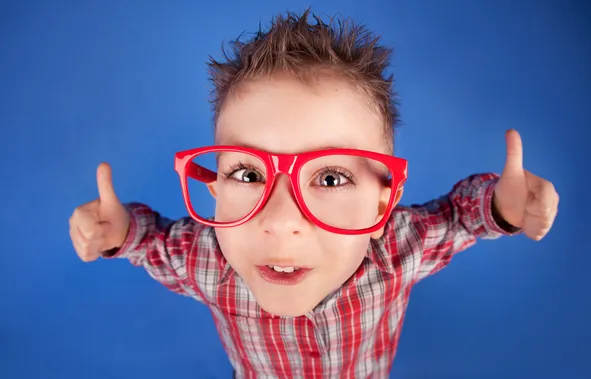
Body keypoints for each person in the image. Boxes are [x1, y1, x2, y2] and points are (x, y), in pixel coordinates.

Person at [68, 9, 559, 378]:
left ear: (383, 202)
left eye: (329, 178)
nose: (281, 221)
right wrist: (120, 232)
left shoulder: (397, 249)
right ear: (213, 187)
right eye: (246, 174)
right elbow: (151, 243)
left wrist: (500, 207)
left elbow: (458, 217)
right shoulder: (206, 259)